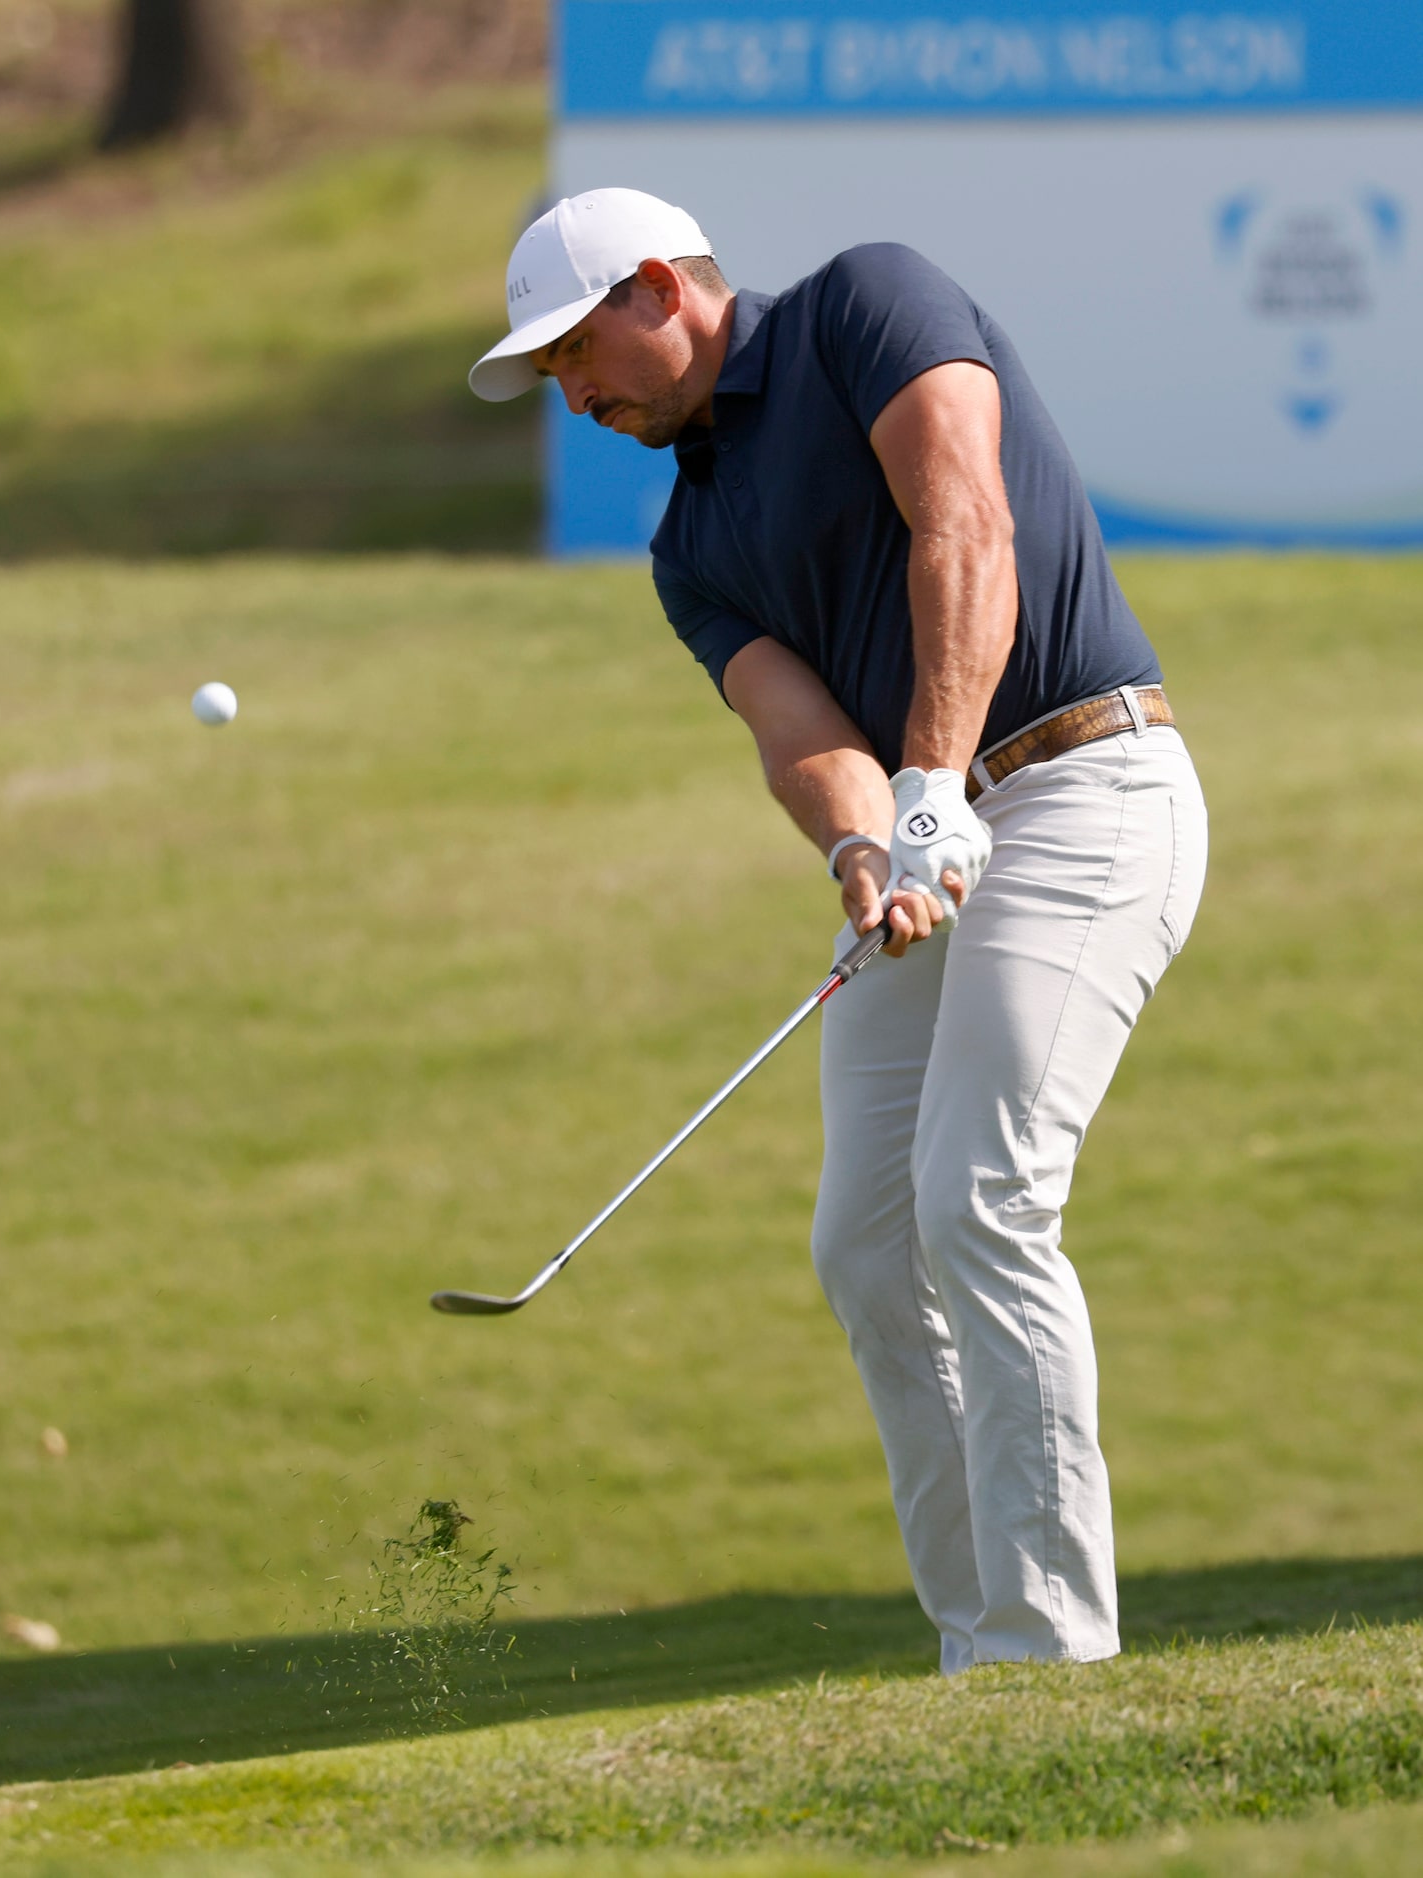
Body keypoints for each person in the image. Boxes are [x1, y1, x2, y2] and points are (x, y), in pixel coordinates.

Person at [468, 188, 1207, 1673]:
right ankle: (974, 1640)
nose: (571, 392)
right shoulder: (688, 540)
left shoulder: (866, 305)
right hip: (928, 843)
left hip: (1086, 787)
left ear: (660, 288)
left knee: (976, 1199)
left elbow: (964, 517)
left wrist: (932, 779)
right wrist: (868, 844)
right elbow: (794, 725)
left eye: (573, 353)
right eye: (545, 373)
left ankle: (1048, 1652)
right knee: (866, 1246)